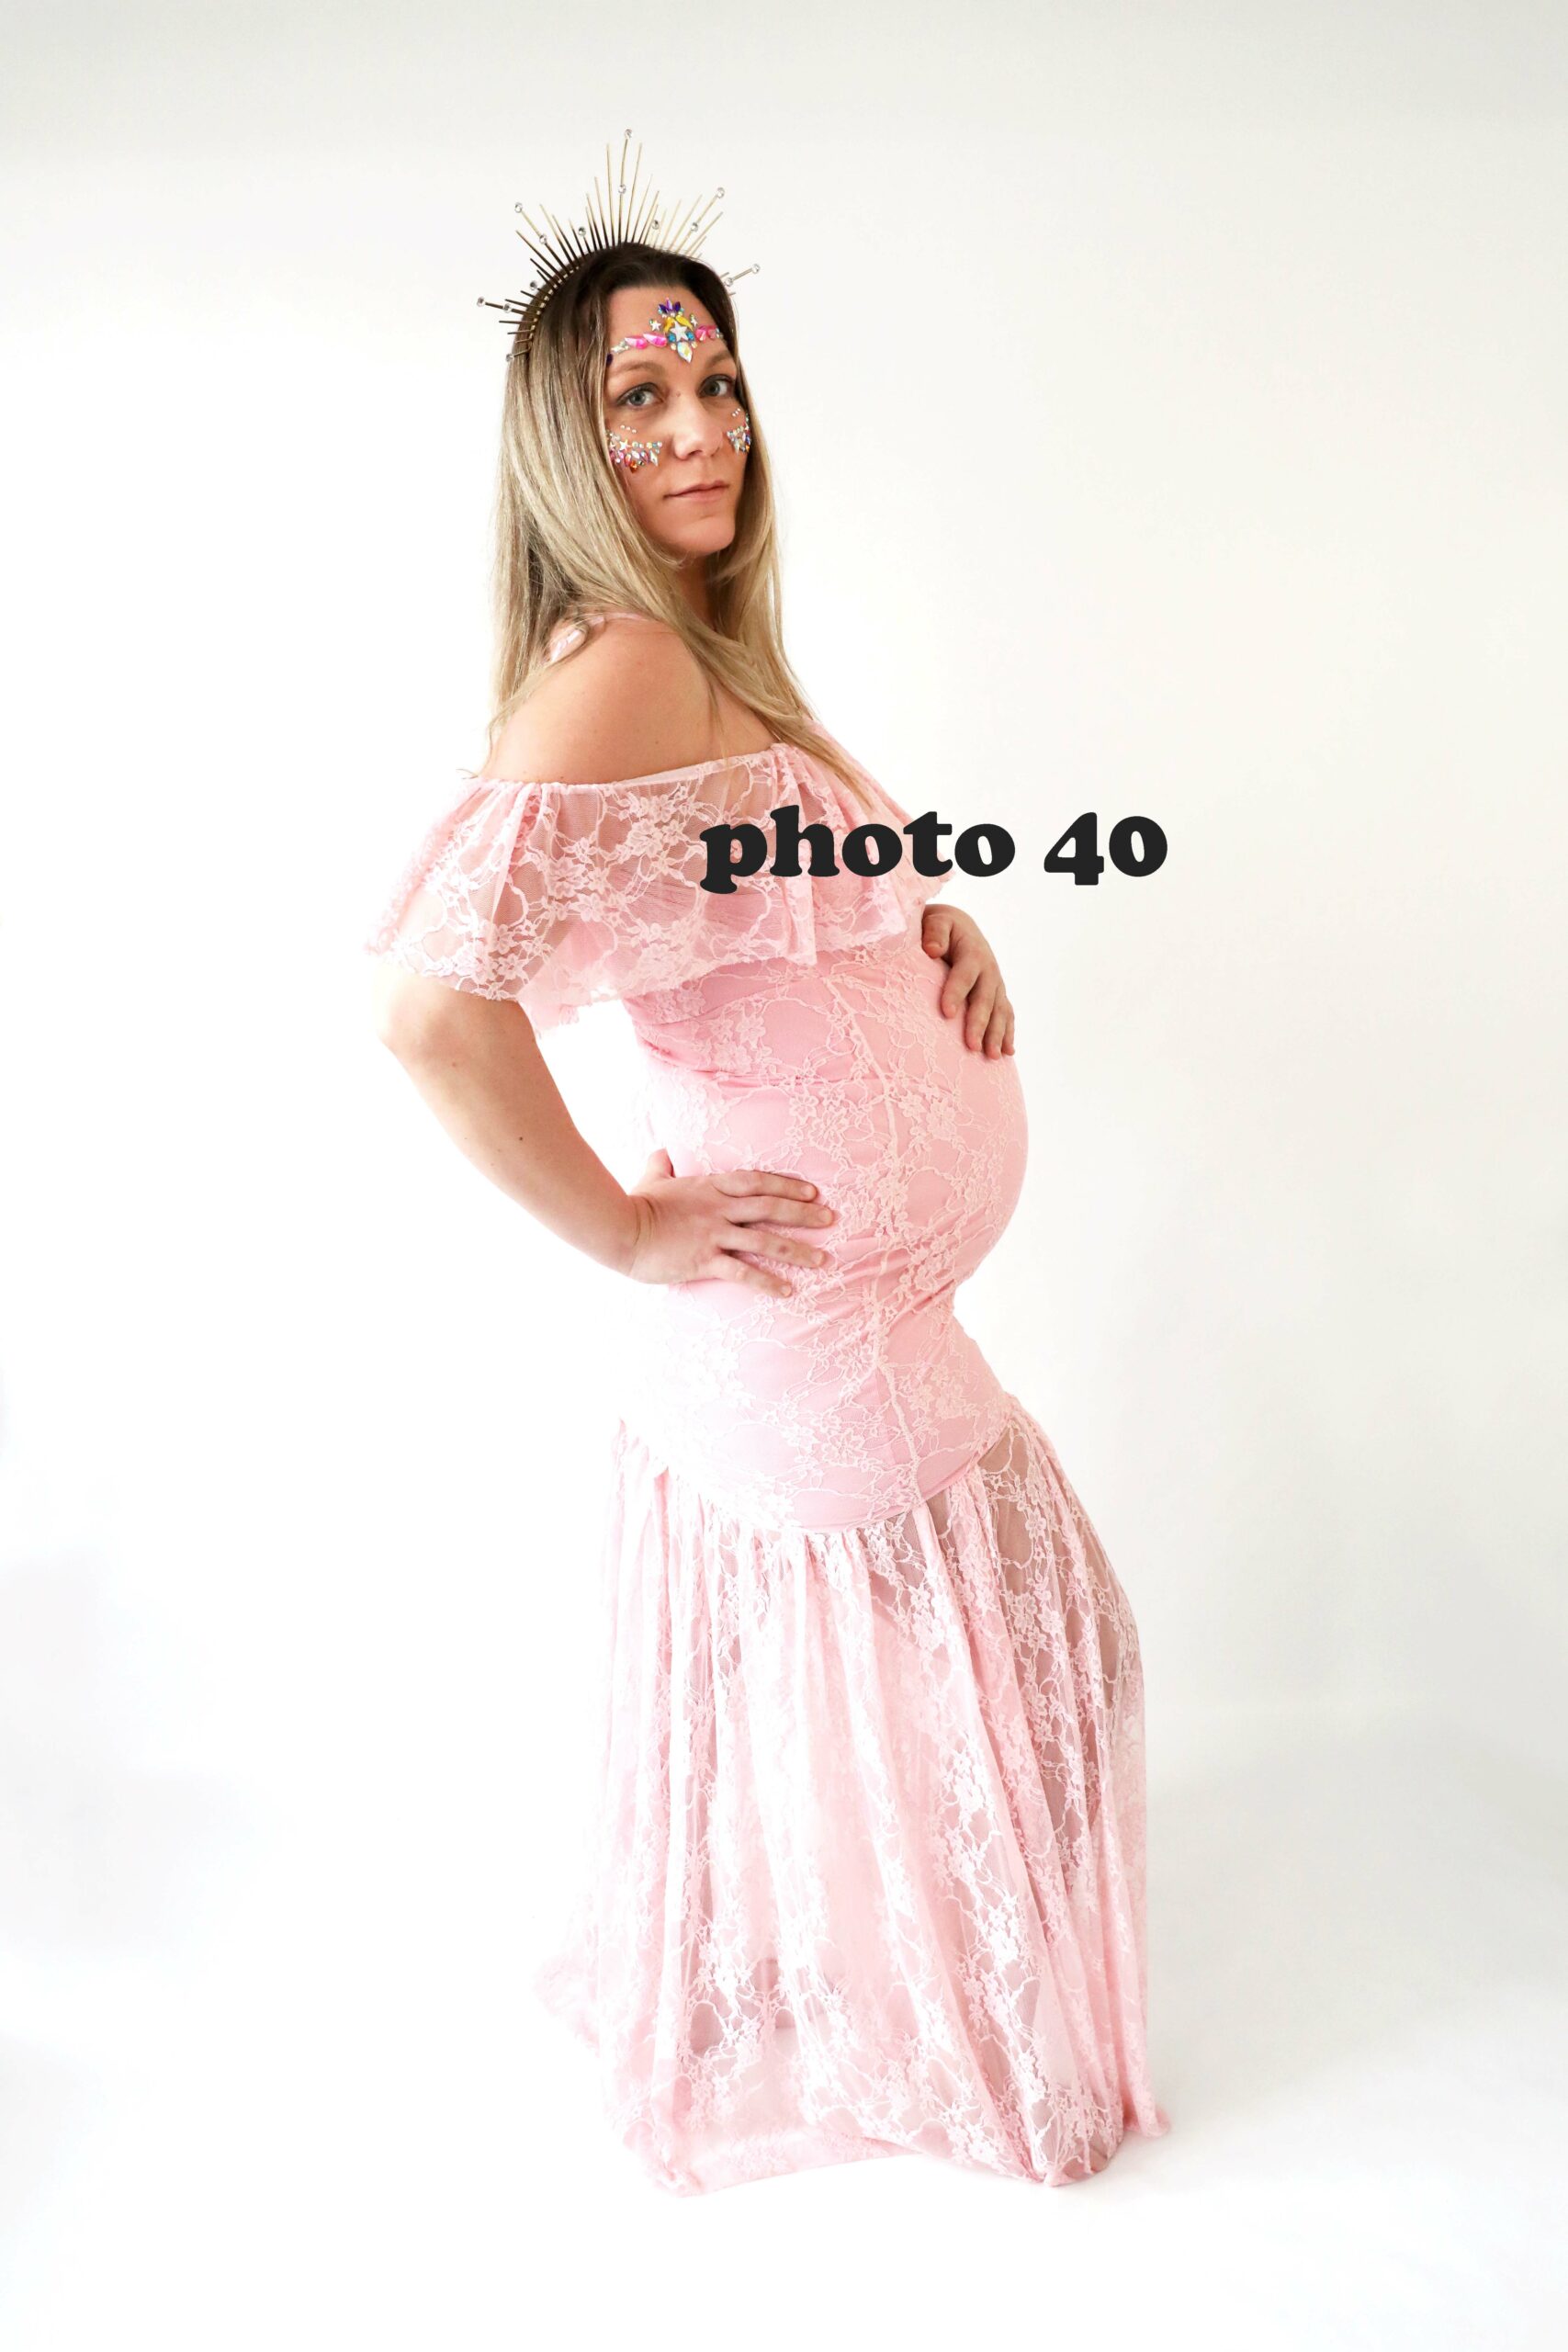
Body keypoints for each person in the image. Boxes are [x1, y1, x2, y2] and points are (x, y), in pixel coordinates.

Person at [364, 166, 1169, 2195]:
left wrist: (927, 917)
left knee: (1001, 1673)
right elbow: (432, 1011)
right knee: (1050, 1658)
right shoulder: (624, 667)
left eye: (713, 383)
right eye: (638, 400)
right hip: (811, 1329)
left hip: (830, 1323)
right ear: (568, 447)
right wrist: (625, 1229)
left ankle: (878, 2005)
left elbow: (748, 900)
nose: (696, 429)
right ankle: (965, 2059)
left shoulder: (700, 659)